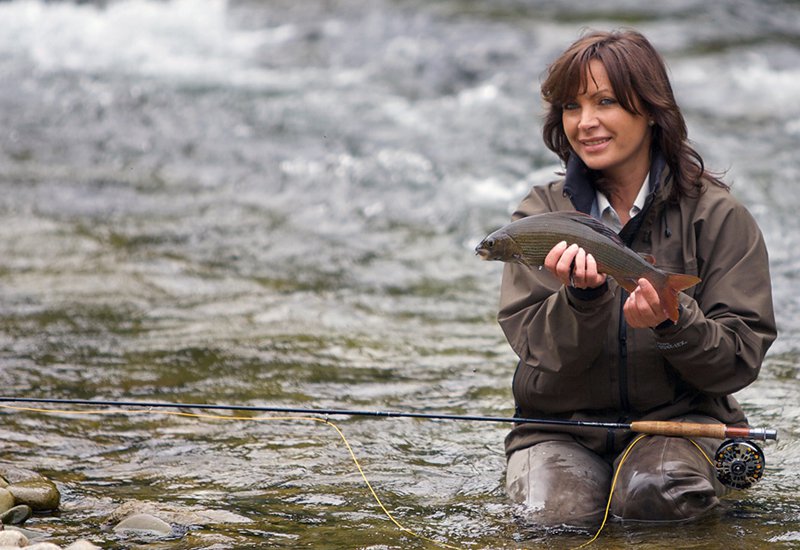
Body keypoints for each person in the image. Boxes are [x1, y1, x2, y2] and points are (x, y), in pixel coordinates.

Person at [499, 29, 776, 526]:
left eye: (605, 102)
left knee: (659, 498)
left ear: (650, 110)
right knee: (552, 517)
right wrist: (581, 303)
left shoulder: (717, 217)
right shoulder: (539, 217)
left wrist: (674, 324)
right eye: (571, 106)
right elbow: (538, 352)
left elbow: (736, 363)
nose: (585, 123)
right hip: (560, 429)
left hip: (682, 426)